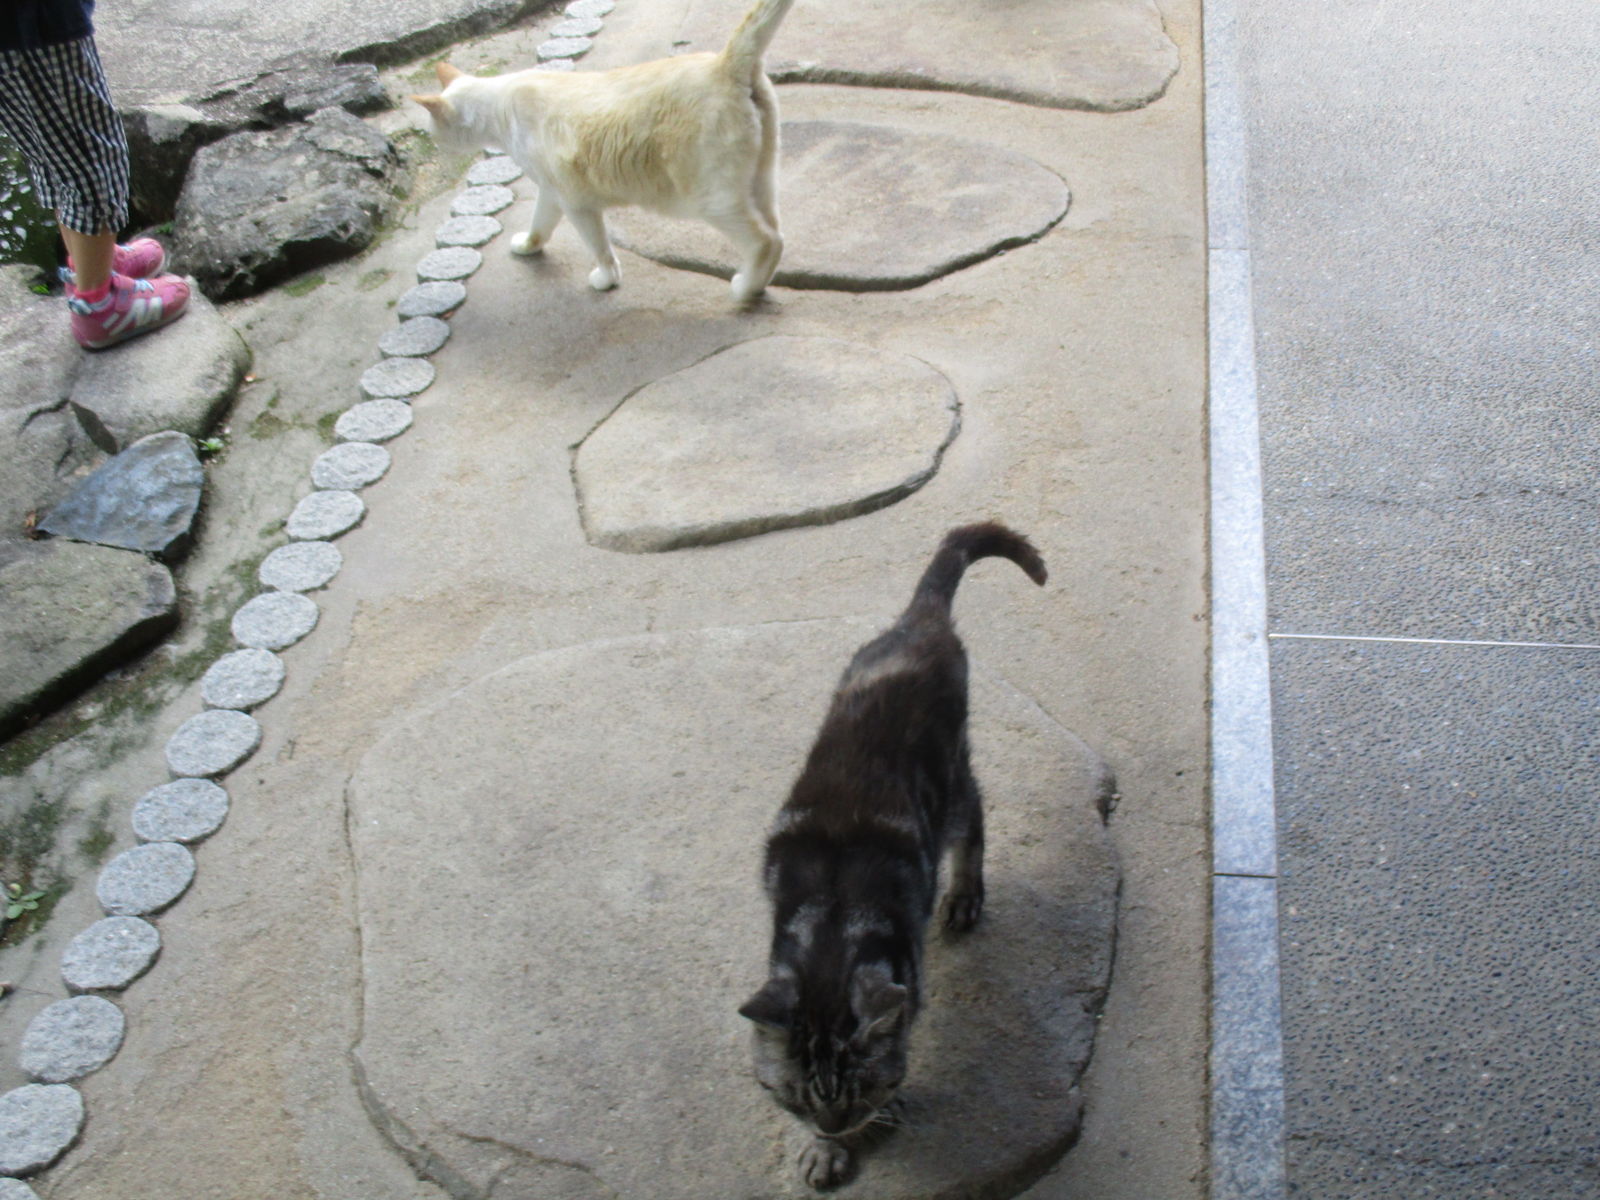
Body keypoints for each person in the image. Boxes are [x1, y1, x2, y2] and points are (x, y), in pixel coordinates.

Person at [0, 0, 188, 349]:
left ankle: (92, 266)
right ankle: (100, 306)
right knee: (91, 156)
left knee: (53, 150)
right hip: (33, 24)